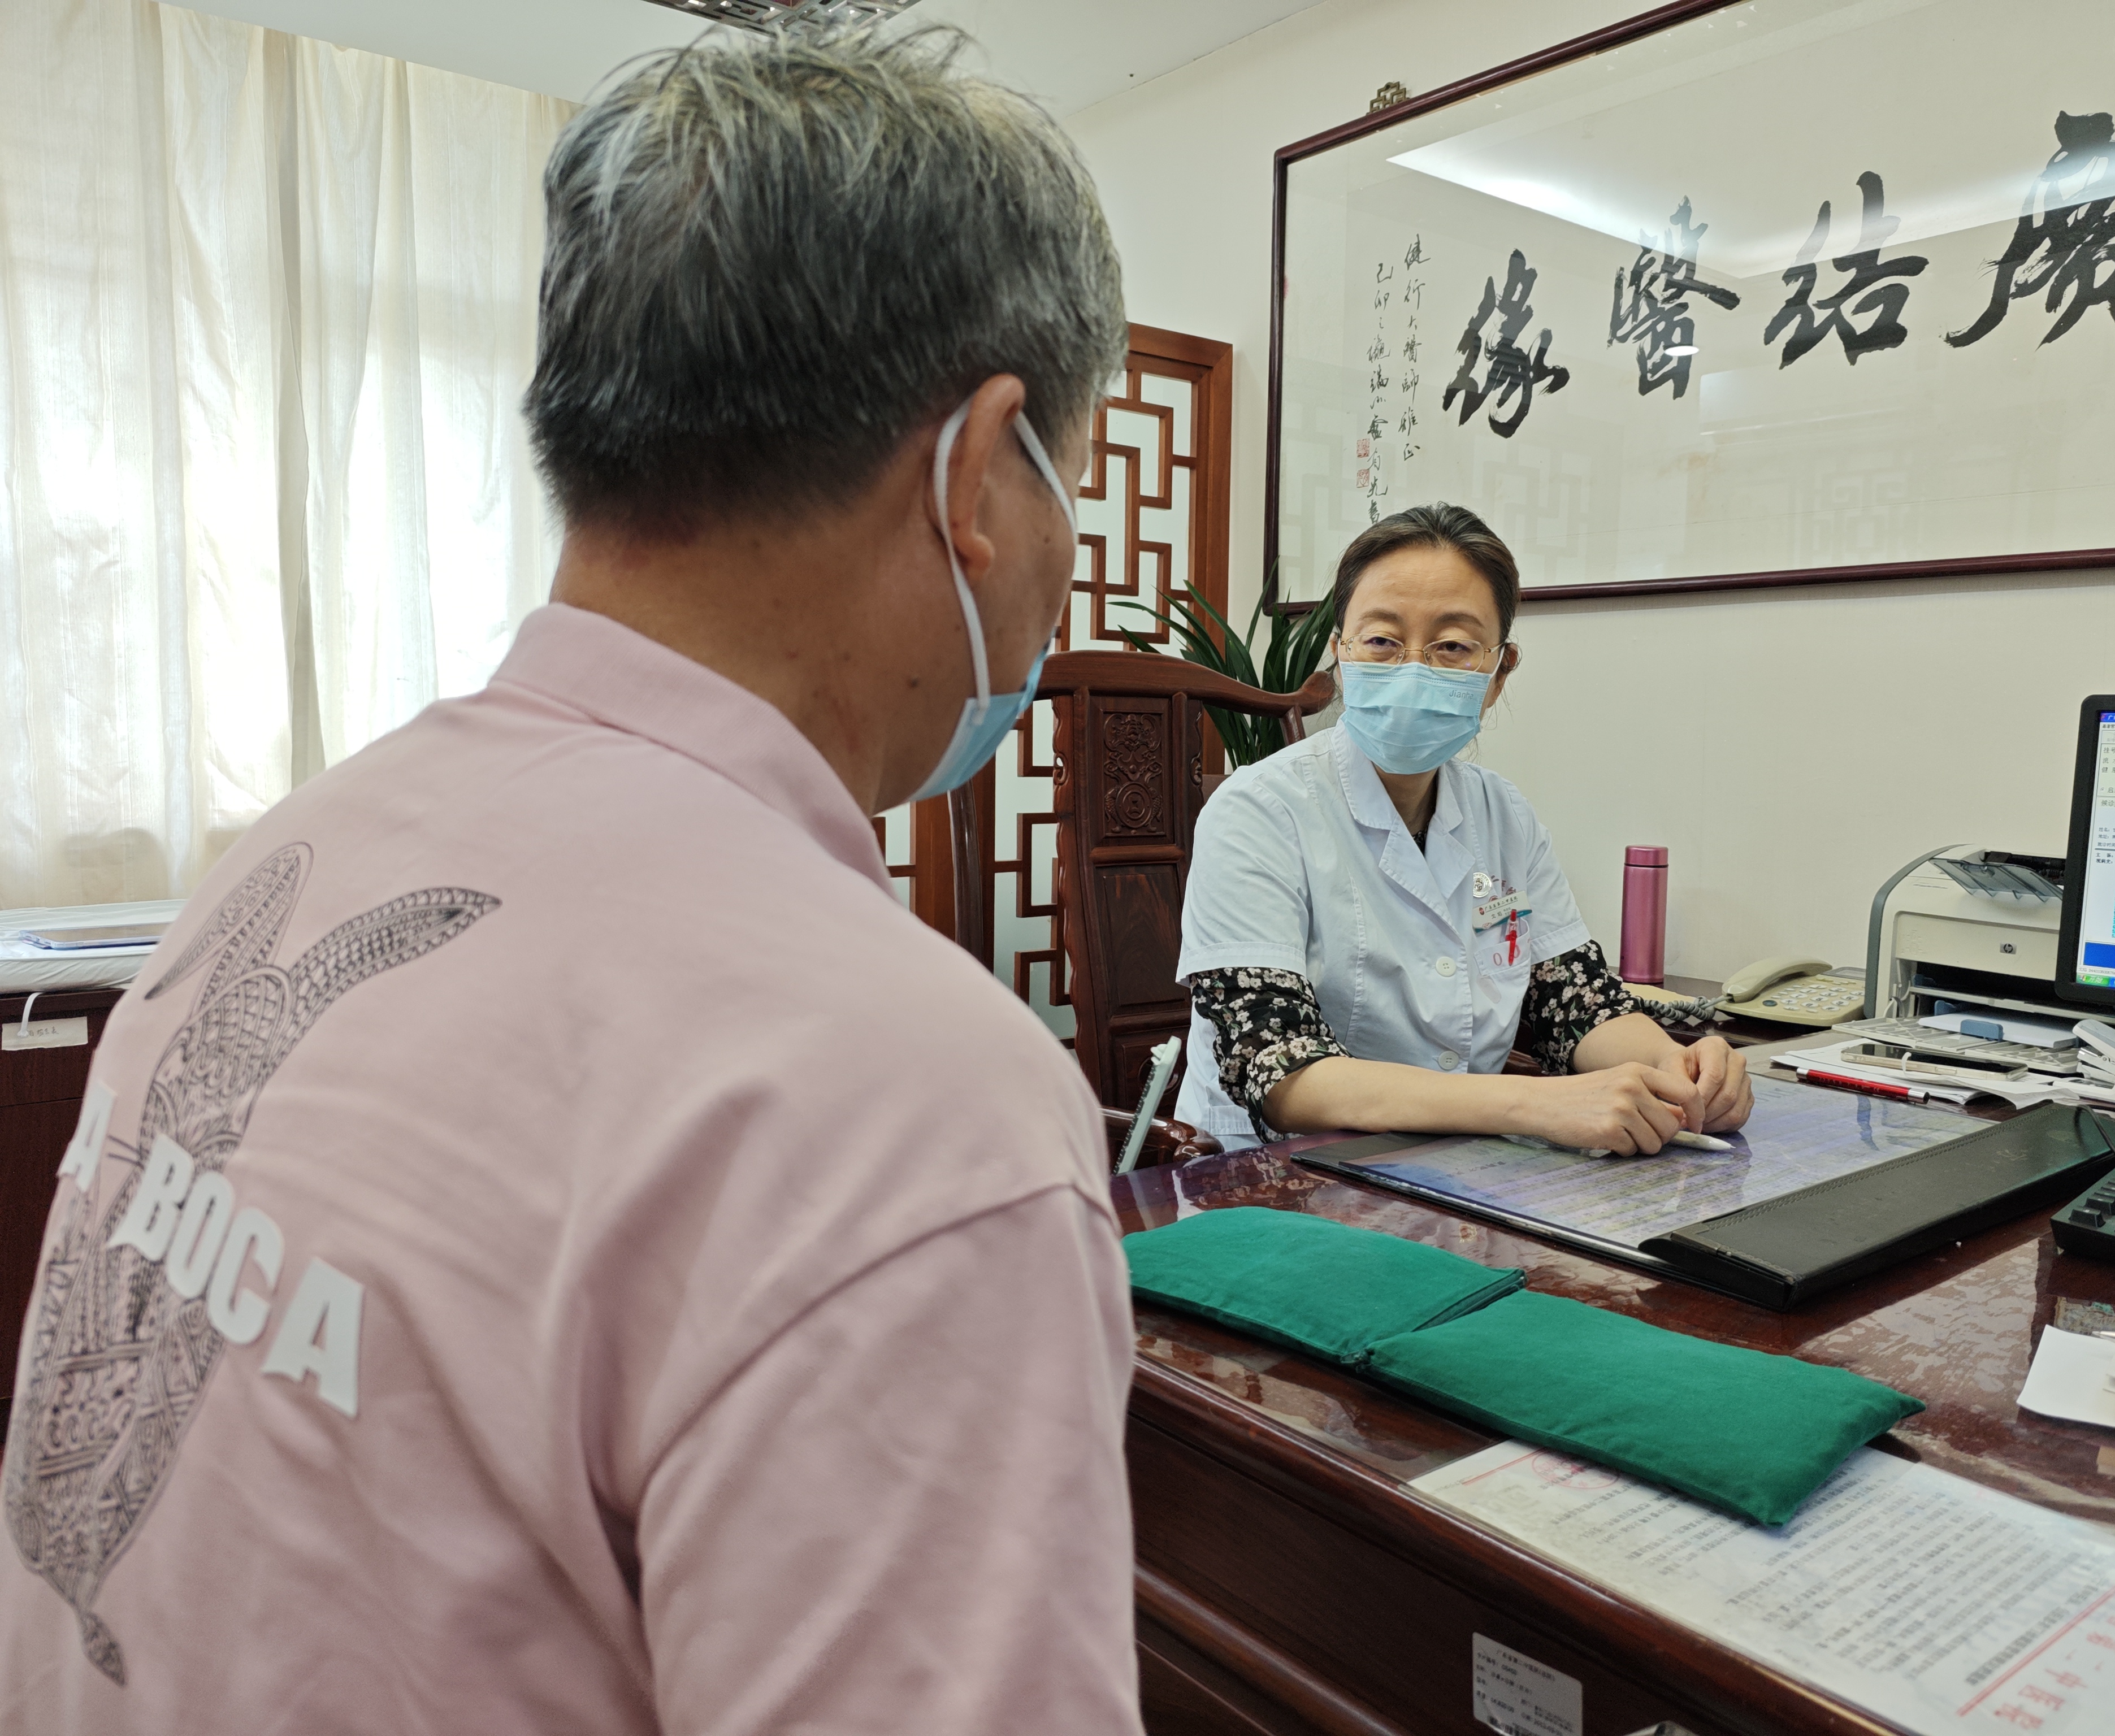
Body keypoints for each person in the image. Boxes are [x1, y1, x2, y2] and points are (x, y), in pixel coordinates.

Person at [1, 29, 1140, 1734]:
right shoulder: (910, 1108)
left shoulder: (295, 855)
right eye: (1071, 478)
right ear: (979, 471)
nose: (1064, 559)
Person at [1174, 503, 1754, 1153]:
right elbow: (1282, 1074)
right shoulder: (1257, 810)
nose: (1413, 668)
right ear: (1339, 655)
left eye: (1452, 646)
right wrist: (1535, 1105)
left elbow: (1573, 1002)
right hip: (1277, 1179)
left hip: (1456, 1169)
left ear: (1498, 672)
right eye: (1381, 641)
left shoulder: (1504, 816)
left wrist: (1677, 1069)